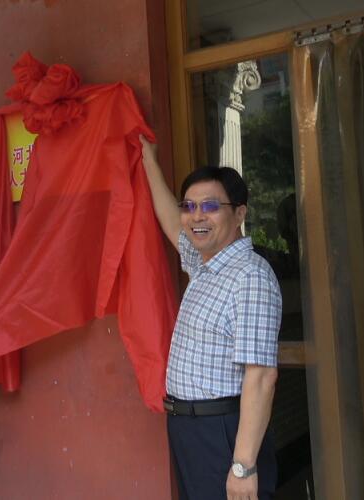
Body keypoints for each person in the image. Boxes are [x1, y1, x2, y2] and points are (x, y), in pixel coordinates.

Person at [139, 136, 281, 500]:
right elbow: (172, 221)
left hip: (224, 431)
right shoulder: (203, 266)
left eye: (211, 206)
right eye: (190, 205)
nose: (196, 215)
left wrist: (243, 465)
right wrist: (148, 160)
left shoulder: (249, 276)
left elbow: (261, 375)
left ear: (239, 214)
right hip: (190, 429)